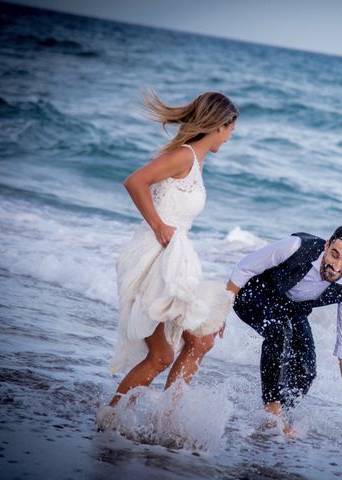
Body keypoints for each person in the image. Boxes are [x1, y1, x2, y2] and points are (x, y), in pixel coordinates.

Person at [108, 90, 239, 407]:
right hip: (154, 260)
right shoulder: (185, 156)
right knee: (161, 355)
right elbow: (135, 181)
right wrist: (157, 225)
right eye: (231, 129)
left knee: (201, 340)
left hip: (174, 260)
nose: (231, 136)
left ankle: (167, 417)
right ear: (218, 126)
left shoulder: (196, 161)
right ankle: (111, 416)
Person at [226, 225, 342, 434]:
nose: (337, 266)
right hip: (255, 294)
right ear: (327, 245)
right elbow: (244, 268)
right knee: (280, 333)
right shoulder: (297, 247)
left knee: (307, 371)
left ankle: (275, 416)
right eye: (334, 255)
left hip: (292, 309)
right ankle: (273, 412)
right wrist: (219, 312)